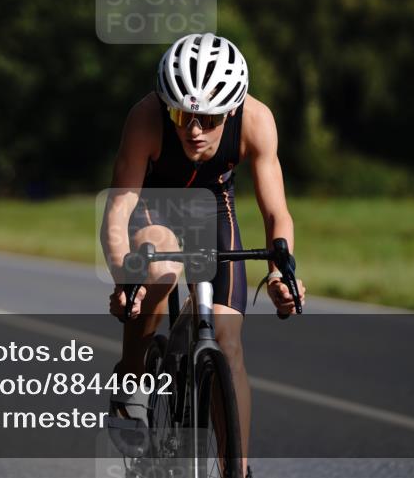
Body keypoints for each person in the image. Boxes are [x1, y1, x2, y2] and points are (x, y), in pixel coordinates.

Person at [101, 33, 306, 477]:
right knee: (163, 264)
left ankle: (239, 470)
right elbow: (118, 212)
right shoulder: (145, 118)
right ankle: (132, 376)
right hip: (153, 207)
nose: (194, 131)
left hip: (213, 206)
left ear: (231, 108)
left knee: (229, 345)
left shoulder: (256, 119)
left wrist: (278, 273)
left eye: (209, 119)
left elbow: (277, 214)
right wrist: (124, 278)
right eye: (182, 114)